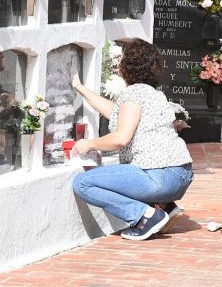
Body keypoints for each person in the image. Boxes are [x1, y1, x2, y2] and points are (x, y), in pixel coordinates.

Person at [71, 39, 194, 241]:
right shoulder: (153, 94)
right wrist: (79, 87)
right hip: (181, 176)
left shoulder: (134, 95)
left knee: (83, 183)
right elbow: (112, 111)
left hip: (159, 178)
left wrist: (88, 143)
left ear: (126, 67)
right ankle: (166, 207)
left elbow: (121, 138)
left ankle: (145, 216)